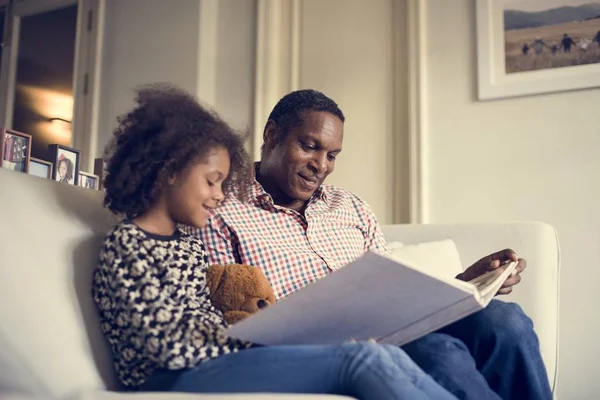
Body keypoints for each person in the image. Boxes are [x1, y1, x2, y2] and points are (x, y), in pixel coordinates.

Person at [91, 84, 458, 400]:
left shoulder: (184, 243)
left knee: (389, 355)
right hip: (170, 380)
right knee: (362, 359)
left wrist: (249, 329)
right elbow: (166, 346)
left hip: (220, 360)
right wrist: (246, 337)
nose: (221, 196)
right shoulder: (128, 245)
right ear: (170, 173)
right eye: (212, 181)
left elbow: (217, 315)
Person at [194, 89, 553, 400]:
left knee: (507, 321)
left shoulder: (350, 206)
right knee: (439, 351)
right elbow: (234, 315)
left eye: (333, 155)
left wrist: (464, 283)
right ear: (272, 134)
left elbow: (396, 288)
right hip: (322, 347)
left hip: (393, 326)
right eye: (309, 147)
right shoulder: (220, 207)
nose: (320, 165)